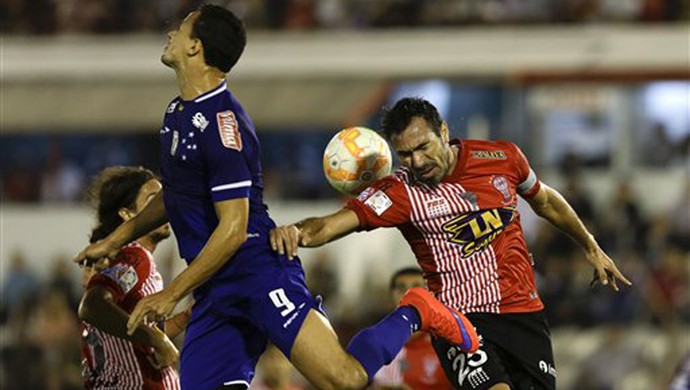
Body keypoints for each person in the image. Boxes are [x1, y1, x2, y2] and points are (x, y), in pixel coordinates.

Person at [75, 6, 478, 390]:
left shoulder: (224, 127)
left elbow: (233, 231)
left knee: (345, 380)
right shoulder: (176, 113)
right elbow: (177, 198)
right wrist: (116, 239)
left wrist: (170, 294)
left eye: (180, 29)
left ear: (196, 47)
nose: (170, 33)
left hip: (256, 270)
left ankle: (417, 309)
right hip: (214, 286)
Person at [270, 97, 632, 390]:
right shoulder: (398, 192)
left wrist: (590, 245)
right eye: (406, 154)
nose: (417, 161)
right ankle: (424, 309)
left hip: (524, 314)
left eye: (423, 147)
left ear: (443, 131)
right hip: (458, 321)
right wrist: (297, 233)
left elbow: (546, 200)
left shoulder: (502, 157)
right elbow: (332, 225)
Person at [78, 166, 185, 389]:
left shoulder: (128, 261)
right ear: (127, 214)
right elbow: (92, 305)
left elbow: (133, 334)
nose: (165, 208)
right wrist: (159, 341)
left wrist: (187, 318)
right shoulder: (135, 257)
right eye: (154, 200)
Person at [373, 267, 453, 390]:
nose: (408, 294)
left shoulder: (446, 344)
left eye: (416, 287)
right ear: (391, 294)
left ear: (430, 294)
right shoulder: (375, 344)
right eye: (401, 288)